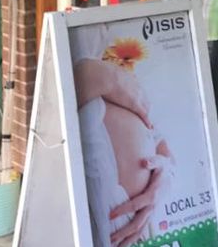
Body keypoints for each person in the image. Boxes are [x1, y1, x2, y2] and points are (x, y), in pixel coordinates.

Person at [71, 24, 174, 247]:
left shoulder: (128, 79)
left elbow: (165, 151)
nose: (103, 27)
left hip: (141, 223)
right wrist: (104, 77)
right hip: (96, 224)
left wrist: (162, 179)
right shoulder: (74, 71)